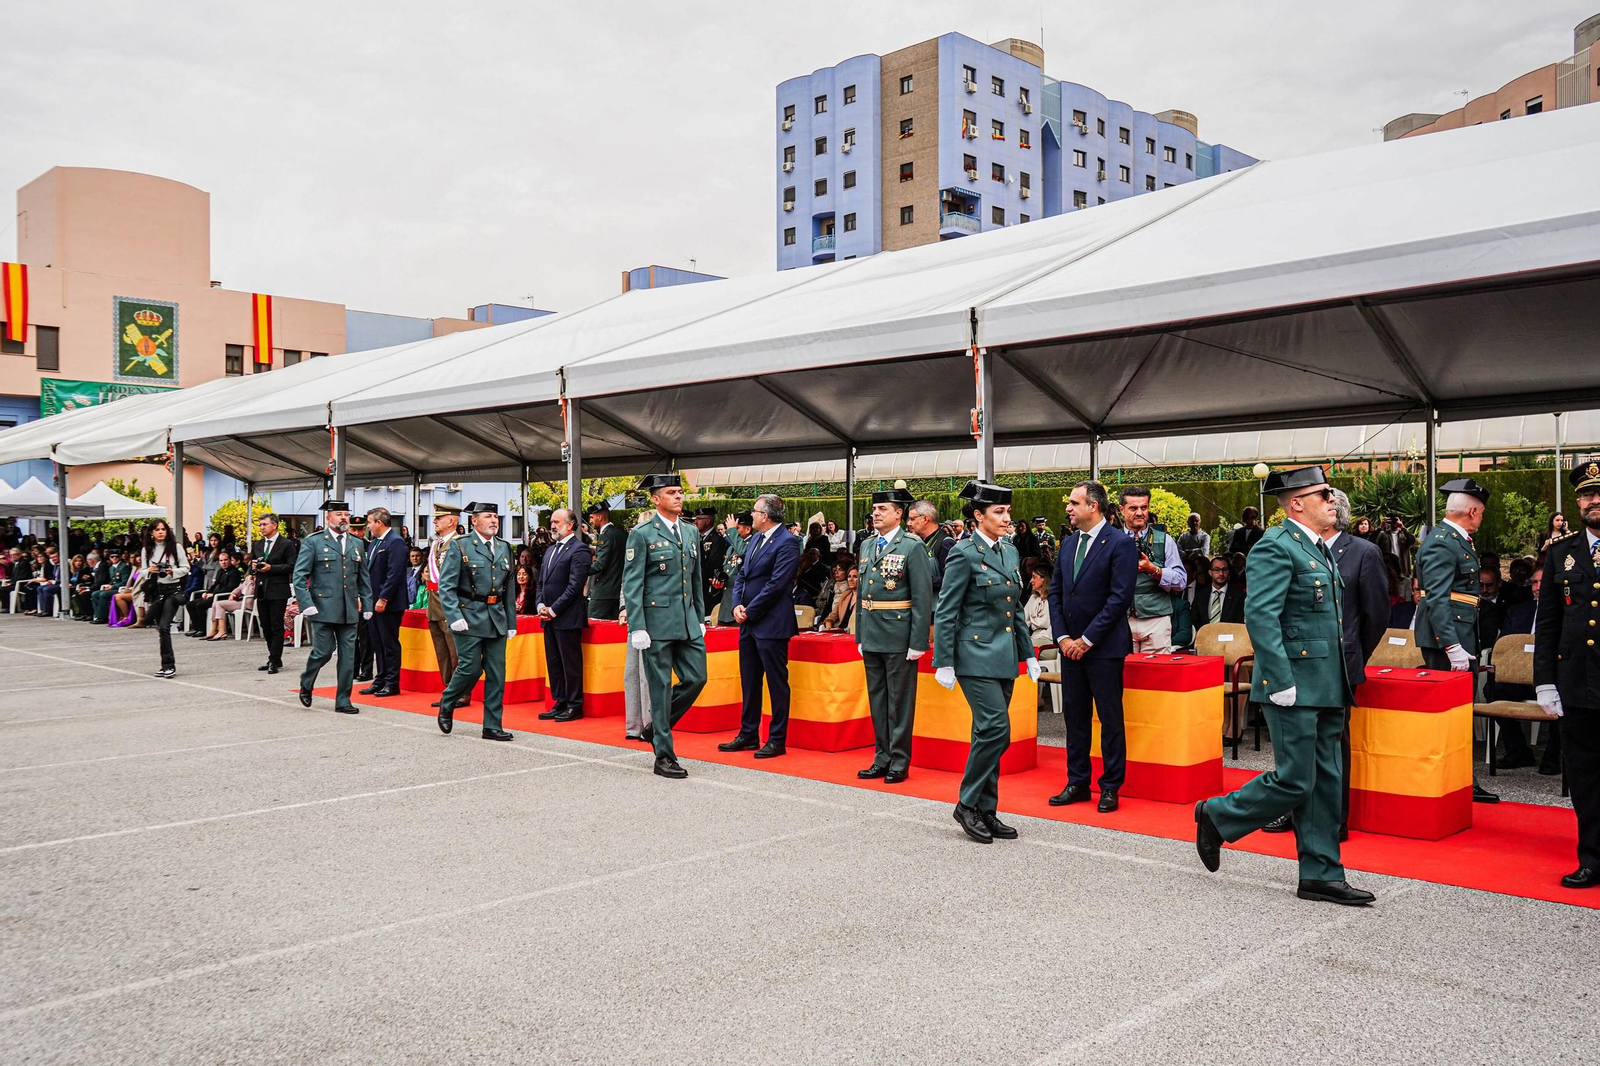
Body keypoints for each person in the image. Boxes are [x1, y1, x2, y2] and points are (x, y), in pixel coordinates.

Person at [1194, 466, 1374, 906]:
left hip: (1329, 683)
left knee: (1326, 782)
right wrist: (1278, 678)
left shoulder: (1319, 549)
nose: (1332, 500)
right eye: (1323, 494)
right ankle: (1217, 814)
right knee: (1296, 779)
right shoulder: (1276, 546)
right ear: (1296, 503)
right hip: (1292, 684)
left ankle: (1320, 874)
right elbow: (1261, 616)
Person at [1263, 488, 1389, 838]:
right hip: (1298, 667)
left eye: (1332, 501)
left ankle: (1335, 821)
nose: (1329, 505)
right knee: (1293, 749)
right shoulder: (1290, 546)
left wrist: (1352, 654)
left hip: (1341, 665)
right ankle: (1291, 811)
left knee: (1332, 750)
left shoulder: (1363, 551)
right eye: (1324, 499)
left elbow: (1376, 614)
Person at [935, 481, 1041, 843]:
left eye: (1008, 511)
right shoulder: (963, 553)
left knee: (986, 733)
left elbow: (1014, 611)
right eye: (999, 512)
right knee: (997, 729)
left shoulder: (1010, 553)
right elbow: (947, 610)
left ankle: (987, 809)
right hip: (974, 654)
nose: (1006, 518)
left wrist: (1028, 653)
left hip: (1005, 654)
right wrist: (943, 661)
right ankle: (967, 803)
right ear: (978, 516)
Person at [1047, 480, 1136, 813]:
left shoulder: (1119, 544)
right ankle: (1077, 781)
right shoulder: (1068, 544)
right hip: (1070, 648)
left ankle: (1111, 786)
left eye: (1073, 502)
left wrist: (1086, 639)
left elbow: (1119, 598)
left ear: (1093, 506)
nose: (1068, 508)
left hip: (1104, 648)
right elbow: (1055, 594)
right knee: (1076, 717)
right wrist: (1063, 638)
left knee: (1110, 718)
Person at [1533, 462, 1600, 889]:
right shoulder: (1562, 551)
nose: (1594, 502)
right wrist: (1545, 680)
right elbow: (1549, 623)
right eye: (1586, 495)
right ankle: (1592, 858)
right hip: (1578, 683)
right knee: (1586, 777)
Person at [1413, 479, 1499, 804]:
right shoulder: (1442, 542)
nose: (1481, 519)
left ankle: (1461, 778)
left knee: (1458, 714)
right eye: (1482, 514)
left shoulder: (1455, 539)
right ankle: (1451, 779)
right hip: (1447, 638)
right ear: (1473, 511)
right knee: (1448, 714)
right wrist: (1451, 646)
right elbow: (1435, 597)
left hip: (1458, 632)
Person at [623, 473, 707, 779]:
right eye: (672, 492)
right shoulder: (642, 533)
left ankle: (656, 726)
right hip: (656, 624)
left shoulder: (690, 531)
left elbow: (695, 577)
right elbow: (633, 583)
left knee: (697, 678)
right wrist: (637, 626)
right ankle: (664, 756)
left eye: (680, 492)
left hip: (686, 621)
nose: (679, 497)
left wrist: (699, 616)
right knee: (659, 688)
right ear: (656, 499)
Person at [851, 487, 933, 783]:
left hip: (899, 634)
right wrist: (860, 634)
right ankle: (881, 757)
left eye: (882, 509)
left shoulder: (911, 546)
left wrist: (917, 642)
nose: (876, 513)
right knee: (878, 700)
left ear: (899, 514)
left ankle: (899, 760)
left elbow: (923, 598)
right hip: (872, 632)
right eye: (875, 509)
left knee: (899, 701)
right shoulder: (867, 545)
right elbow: (862, 594)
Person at [719, 493, 801, 759]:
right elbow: (742, 574)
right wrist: (736, 606)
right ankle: (748, 733)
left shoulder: (788, 542)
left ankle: (777, 739)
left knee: (776, 683)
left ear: (765, 516)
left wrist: (750, 610)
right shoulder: (754, 538)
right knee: (750, 680)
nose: (750, 516)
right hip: (748, 621)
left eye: (754, 512)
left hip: (772, 623)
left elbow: (777, 584)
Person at [435, 501, 518, 741]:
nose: (494, 521)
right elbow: (447, 586)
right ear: (474, 521)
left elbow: (508, 588)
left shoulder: (504, 547)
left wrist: (511, 622)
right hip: (468, 616)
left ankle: (492, 725)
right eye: (488, 517)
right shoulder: (460, 546)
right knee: (470, 668)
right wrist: (454, 617)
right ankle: (448, 701)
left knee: (496, 673)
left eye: (496, 516)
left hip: (496, 617)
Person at [291, 500, 371, 715]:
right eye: (338, 514)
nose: (343, 518)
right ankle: (307, 681)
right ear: (328, 518)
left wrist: (368, 603)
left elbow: (363, 577)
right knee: (323, 652)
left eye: (346, 514)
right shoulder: (314, 542)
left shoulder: (357, 543)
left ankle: (343, 700)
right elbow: (300, 576)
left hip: (349, 609)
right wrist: (306, 604)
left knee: (348, 656)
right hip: (323, 608)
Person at [534, 507, 590, 723]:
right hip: (548, 616)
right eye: (552, 522)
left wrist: (554, 609)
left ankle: (575, 704)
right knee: (554, 661)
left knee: (570, 663)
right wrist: (540, 604)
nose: (552, 526)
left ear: (570, 525)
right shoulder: (550, 550)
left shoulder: (579, 550)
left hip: (566, 617)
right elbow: (541, 582)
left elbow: (575, 586)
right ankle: (560, 701)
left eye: (557, 522)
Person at [1120, 486, 1187, 655]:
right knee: (1123, 678)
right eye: (1133, 508)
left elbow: (1181, 582)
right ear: (1122, 510)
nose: (1140, 513)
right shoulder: (1112, 540)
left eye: (1144, 507)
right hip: (1121, 619)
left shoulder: (1165, 540)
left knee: (1157, 677)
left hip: (1157, 620)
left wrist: (1154, 570)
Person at [360, 507, 407, 698]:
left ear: (379, 523)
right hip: (373, 601)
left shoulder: (395, 542)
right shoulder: (374, 542)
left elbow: (394, 574)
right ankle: (380, 679)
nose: (368, 526)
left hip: (388, 603)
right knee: (377, 642)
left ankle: (392, 682)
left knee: (389, 643)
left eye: (370, 522)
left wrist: (383, 598)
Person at [424, 505, 464, 709]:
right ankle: (448, 689)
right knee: (442, 653)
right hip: (435, 605)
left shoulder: (459, 544)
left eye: (439, 518)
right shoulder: (437, 543)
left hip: (449, 606)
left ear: (452, 521)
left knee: (455, 652)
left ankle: (461, 693)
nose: (434, 521)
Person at [140, 519, 191, 678]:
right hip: (157, 591)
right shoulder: (146, 549)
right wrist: (151, 570)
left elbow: (186, 568)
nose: (161, 532)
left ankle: (169, 665)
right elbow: (141, 571)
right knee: (158, 627)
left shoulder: (176, 548)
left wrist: (172, 571)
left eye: (163, 529)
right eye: (157, 529)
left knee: (164, 626)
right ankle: (165, 665)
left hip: (172, 590)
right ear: (151, 533)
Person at [247, 513, 295, 674]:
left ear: (274, 525)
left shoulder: (286, 544)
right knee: (265, 624)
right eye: (260, 525)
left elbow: (291, 566)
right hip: (262, 588)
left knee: (276, 625)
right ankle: (274, 656)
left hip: (278, 589)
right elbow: (253, 562)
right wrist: (253, 568)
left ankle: (274, 659)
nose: (261, 528)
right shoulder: (259, 544)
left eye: (264, 524)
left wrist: (272, 568)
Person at [585, 502, 623, 620]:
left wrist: (579, 569)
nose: (590, 521)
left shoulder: (605, 536)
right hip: (617, 591)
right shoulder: (620, 534)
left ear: (599, 517)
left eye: (592, 517)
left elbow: (600, 564)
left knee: (592, 625)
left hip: (603, 591)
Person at [194, 548, 242, 638]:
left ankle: (203, 630)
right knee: (191, 604)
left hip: (223, 597)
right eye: (221, 560)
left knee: (200, 605)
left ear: (230, 560)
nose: (223, 562)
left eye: (225, 560)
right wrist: (208, 592)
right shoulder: (220, 571)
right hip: (215, 595)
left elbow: (230, 588)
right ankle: (197, 628)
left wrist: (213, 594)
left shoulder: (235, 572)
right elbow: (215, 585)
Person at [908, 500, 954, 595]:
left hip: (937, 607)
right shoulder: (920, 541)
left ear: (925, 519)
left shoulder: (946, 543)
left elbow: (952, 580)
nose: (909, 523)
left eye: (912, 519)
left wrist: (920, 580)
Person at [203, 561, 255, 640]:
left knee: (219, 604)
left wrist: (251, 582)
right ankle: (214, 629)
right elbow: (239, 588)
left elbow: (250, 593)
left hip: (248, 602)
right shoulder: (247, 580)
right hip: (240, 601)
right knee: (215, 603)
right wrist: (233, 594)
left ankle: (222, 631)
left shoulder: (255, 581)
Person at [694, 507, 729, 618]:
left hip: (709, 587)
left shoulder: (716, 539)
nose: (696, 522)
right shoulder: (698, 537)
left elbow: (713, 564)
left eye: (699, 518)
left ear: (707, 521)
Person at [1024, 560, 1054, 649]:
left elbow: (1053, 629)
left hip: (1049, 640)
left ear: (1044, 578)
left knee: (1022, 648)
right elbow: (1023, 621)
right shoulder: (1033, 598)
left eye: (1034, 577)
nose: (1031, 581)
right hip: (1034, 638)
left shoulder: (1054, 599)